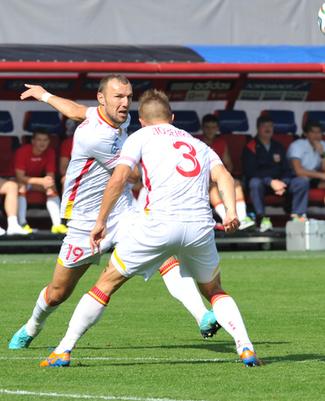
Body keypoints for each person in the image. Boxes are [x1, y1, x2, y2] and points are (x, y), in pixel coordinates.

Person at [41, 89, 262, 368]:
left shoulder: (140, 136)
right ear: (172, 117)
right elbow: (224, 176)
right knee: (214, 290)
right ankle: (245, 347)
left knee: (106, 283)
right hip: (199, 226)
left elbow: (119, 179)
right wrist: (231, 212)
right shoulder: (197, 143)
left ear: (142, 121)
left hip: (159, 224)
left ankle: (63, 349)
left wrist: (100, 221)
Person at [9, 75, 218, 351]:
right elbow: (130, 175)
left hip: (122, 210)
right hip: (85, 219)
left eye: (128, 97)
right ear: (102, 99)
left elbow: (75, 109)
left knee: (163, 254)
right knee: (58, 293)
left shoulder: (117, 117)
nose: (125, 103)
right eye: (118, 97)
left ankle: (202, 316)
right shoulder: (96, 136)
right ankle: (32, 326)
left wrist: (44, 95)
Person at [242, 114, 309, 232]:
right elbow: (250, 171)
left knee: (302, 182)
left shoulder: (278, 146)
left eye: (270, 126)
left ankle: (296, 217)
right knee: (254, 182)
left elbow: (287, 169)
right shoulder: (250, 146)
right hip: (263, 183)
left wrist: (282, 183)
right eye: (264, 126)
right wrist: (271, 182)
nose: (267, 129)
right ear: (258, 128)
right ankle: (262, 218)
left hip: (280, 183)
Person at [200, 113, 254, 231]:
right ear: (202, 127)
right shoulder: (196, 142)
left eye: (213, 127)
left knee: (236, 183)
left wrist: (221, 178)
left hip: (217, 177)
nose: (210, 130)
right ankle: (227, 219)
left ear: (217, 128)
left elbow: (228, 164)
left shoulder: (221, 143)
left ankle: (242, 219)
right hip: (200, 179)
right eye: (207, 127)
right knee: (212, 187)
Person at [288, 119, 325, 232]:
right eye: (313, 132)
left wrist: (322, 153)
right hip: (296, 179)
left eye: (319, 132)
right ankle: (299, 216)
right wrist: (321, 175)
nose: (316, 136)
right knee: (303, 179)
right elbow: (298, 170)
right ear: (306, 134)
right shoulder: (297, 145)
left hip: (314, 178)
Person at [14, 127, 66, 234]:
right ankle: (22, 223)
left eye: (45, 140)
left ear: (49, 141)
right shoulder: (22, 151)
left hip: (32, 182)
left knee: (51, 185)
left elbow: (50, 176)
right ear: (33, 141)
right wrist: (41, 181)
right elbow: (20, 177)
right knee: (22, 185)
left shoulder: (50, 152)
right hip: (14, 181)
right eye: (39, 140)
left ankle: (57, 224)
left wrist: (47, 181)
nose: (42, 143)